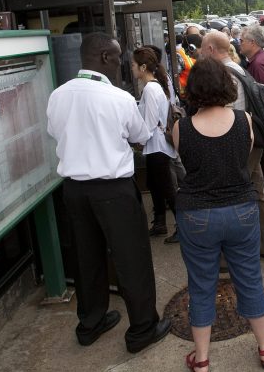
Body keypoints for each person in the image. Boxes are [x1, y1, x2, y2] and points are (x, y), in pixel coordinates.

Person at [45, 33, 171, 351]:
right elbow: (140, 136)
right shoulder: (118, 98)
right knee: (132, 259)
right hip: (113, 189)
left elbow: (53, 133)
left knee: (87, 257)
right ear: (103, 57)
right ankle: (142, 328)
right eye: (116, 58)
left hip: (74, 189)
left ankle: (90, 322)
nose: (120, 65)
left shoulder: (57, 95)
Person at [173, 58, 264, 372]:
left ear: (193, 89)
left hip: (196, 213)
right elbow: (243, 155)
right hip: (241, 209)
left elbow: (186, 162)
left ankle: (202, 359)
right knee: (249, 278)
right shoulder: (243, 120)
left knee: (201, 284)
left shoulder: (181, 127)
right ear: (226, 85)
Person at [198, 31, 264, 261]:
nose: (202, 55)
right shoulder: (238, 68)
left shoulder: (225, 74)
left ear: (212, 50)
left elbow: (226, 117)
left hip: (240, 144)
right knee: (257, 190)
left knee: (235, 194)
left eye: (204, 50)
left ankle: (237, 251)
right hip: (251, 140)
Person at [132, 46, 179, 243]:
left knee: (167, 188)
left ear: (143, 67)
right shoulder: (153, 87)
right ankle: (160, 223)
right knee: (156, 185)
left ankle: (182, 227)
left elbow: (150, 122)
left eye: (134, 65)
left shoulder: (151, 89)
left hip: (156, 145)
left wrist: (138, 141)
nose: (132, 69)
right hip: (156, 145)